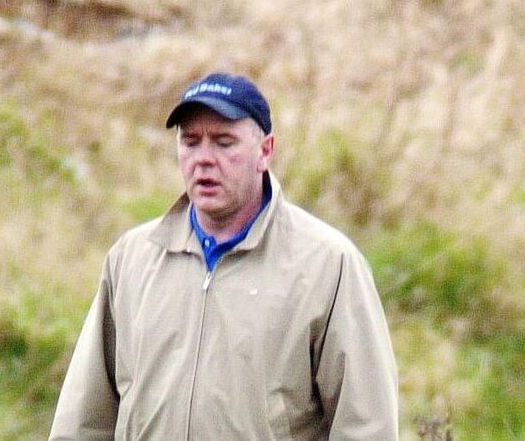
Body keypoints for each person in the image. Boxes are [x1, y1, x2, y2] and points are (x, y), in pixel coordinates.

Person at [49, 72, 399, 440]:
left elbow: (367, 424)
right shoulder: (131, 259)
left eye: (223, 142)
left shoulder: (329, 265)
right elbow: (84, 419)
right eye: (190, 142)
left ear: (265, 151)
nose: (204, 159)